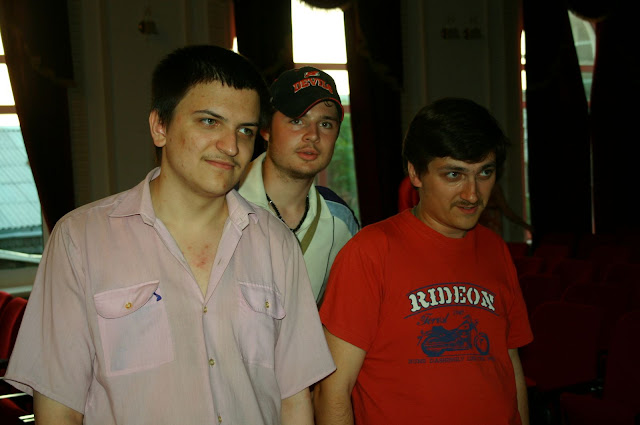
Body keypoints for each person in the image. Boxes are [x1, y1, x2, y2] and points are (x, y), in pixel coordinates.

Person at [5, 45, 335, 425]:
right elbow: (58, 411)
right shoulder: (80, 241)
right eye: (209, 122)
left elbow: (294, 400)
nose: (231, 146)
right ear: (160, 127)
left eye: (244, 130)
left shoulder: (276, 243)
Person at [314, 97, 533, 425]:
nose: (472, 194)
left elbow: (509, 363)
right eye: (454, 174)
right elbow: (332, 391)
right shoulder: (370, 252)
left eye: (484, 173)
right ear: (415, 173)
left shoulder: (495, 249)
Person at [238, 66, 359, 305]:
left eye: (326, 124)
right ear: (266, 128)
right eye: (297, 120)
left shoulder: (341, 222)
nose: (312, 135)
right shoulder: (222, 200)